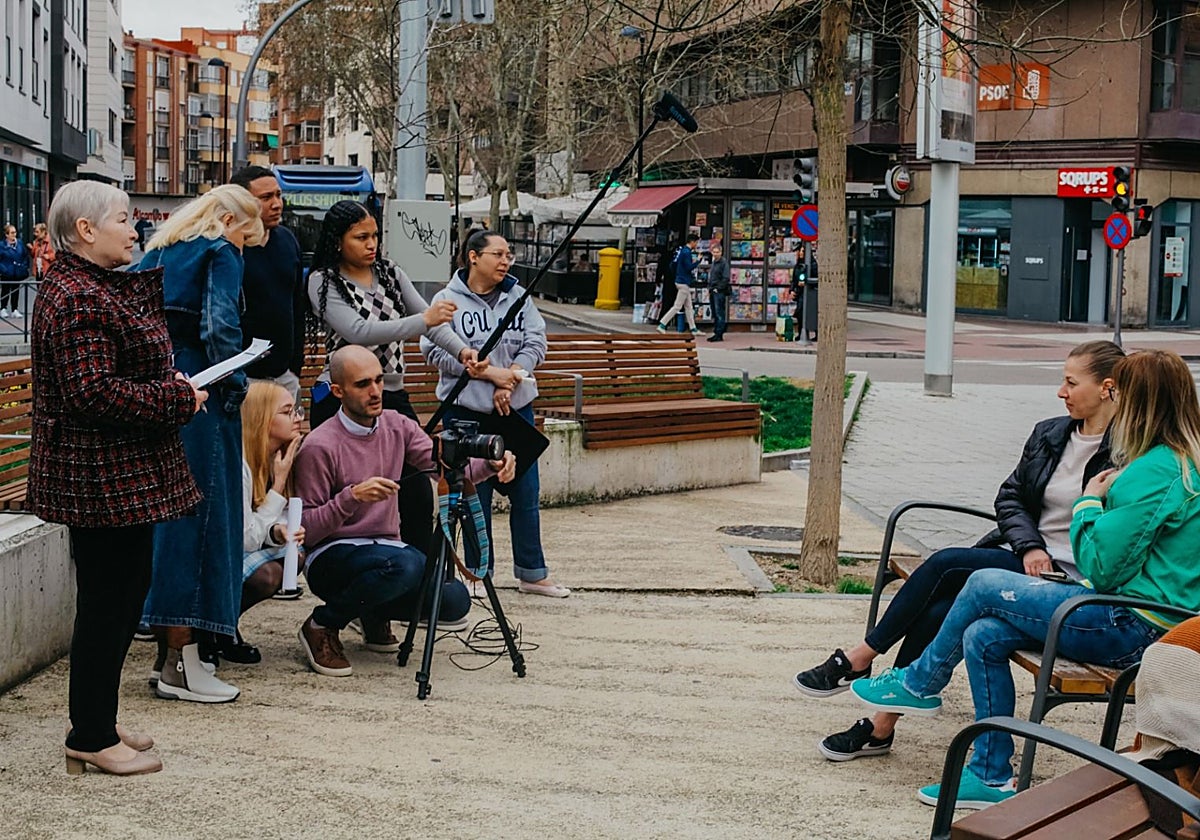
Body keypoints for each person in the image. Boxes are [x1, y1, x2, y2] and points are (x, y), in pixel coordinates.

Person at [849, 349, 1200, 810]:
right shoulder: (1177, 461)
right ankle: (990, 776)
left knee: (982, 583)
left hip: (1130, 625)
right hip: (1139, 616)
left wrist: (1088, 502)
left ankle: (919, 684)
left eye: (1119, 393)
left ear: (1138, 402)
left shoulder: (1153, 471)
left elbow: (1102, 568)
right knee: (983, 634)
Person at [794, 340, 1125, 763]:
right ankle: (880, 720)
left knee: (947, 571)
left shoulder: (1127, 454)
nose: (1061, 392)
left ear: (1106, 388)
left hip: (1073, 580)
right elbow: (1010, 497)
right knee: (942, 591)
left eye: (1071, 383)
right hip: (1030, 559)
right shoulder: (1051, 433)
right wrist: (1029, 546)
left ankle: (862, 665)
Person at [30, 180, 207, 775]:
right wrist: (176, 398)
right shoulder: (78, 296)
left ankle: (97, 718)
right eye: (124, 219)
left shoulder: (88, 286)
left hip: (111, 473)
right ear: (86, 230)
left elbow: (109, 376)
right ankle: (90, 733)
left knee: (121, 597)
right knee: (110, 603)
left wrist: (166, 384)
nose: (135, 230)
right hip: (98, 477)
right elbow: (93, 394)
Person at [292, 346, 515, 676]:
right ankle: (322, 624)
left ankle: (372, 612)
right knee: (407, 565)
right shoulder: (319, 445)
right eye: (363, 384)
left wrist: (491, 465)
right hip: (331, 557)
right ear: (338, 391)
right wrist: (351, 497)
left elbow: (443, 468)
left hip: (386, 552)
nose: (375, 391)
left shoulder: (397, 425)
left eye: (379, 380)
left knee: (455, 600)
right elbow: (306, 529)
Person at [137, 185, 265, 703]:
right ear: (230, 221)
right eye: (247, 235)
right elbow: (220, 329)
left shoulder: (158, 251)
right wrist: (236, 386)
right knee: (204, 524)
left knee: (170, 526)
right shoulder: (219, 252)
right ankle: (183, 663)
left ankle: (169, 656)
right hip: (203, 393)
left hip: (159, 391)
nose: (244, 245)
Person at [306, 199, 482, 556]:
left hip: (392, 396)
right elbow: (360, 331)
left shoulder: (390, 272)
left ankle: (415, 570)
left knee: (416, 492)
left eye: (374, 236)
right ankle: (341, 569)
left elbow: (431, 323)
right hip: (343, 398)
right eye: (361, 237)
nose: (371, 244)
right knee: (349, 492)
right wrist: (423, 321)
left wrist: (462, 351)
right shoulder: (323, 280)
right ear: (338, 241)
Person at [421, 229, 570, 598]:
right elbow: (434, 350)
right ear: (474, 257)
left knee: (526, 492)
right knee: (476, 496)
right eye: (498, 254)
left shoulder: (518, 297)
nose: (506, 261)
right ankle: (477, 574)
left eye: (509, 255)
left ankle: (532, 573)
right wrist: (488, 374)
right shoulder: (446, 300)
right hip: (467, 412)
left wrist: (511, 378)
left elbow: (536, 341)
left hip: (516, 409)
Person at [229, 381, 307, 663]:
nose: (297, 418)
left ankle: (224, 627)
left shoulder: (279, 456)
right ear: (260, 419)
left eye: (296, 410)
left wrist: (277, 532)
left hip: (239, 549)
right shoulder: (240, 465)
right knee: (267, 575)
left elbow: (261, 526)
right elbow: (246, 538)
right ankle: (216, 628)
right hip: (217, 557)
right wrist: (279, 484)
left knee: (294, 555)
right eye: (287, 412)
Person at [230, 165, 306, 398]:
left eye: (278, 195)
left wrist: (295, 367)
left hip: (285, 376)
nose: (276, 204)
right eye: (266, 198)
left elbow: (297, 306)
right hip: (243, 377)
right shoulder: (229, 247)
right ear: (242, 202)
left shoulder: (287, 241)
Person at [656, 232, 702, 336]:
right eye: (696, 242)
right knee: (677, 306)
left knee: (688, 307)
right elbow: (688, 267)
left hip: (681, 281)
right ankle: (662, 324)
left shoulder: (682, 251)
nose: (697, 245)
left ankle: (693, 328)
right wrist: (698, 261)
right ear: (692, 242)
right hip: (683, 282)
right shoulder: (686, 252)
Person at [0, 223, 30, 316]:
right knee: (5, 290)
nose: (14, 235)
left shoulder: (19, 244)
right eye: (12, 233)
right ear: (7, 234)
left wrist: (24, 266)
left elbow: (25, 256)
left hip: (17, 271)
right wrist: (3, 269)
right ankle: (3, 308)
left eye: (15, 232)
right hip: (6, 271)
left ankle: (14, 309)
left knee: (15, 290)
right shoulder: (2, 245)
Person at [706, 243, 730, 342]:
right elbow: (712, 277)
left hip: (719, 291)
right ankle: (716, 332)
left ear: (721, 252)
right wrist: (710, 289)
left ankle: (719, 334)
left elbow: (726, 278)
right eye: (714, 252)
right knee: (715, 313)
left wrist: (718, 288)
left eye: (717, 252)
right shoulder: (714, 262)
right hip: (713, 290)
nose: (715, 254)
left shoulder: (723, 263)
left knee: (719, 312)